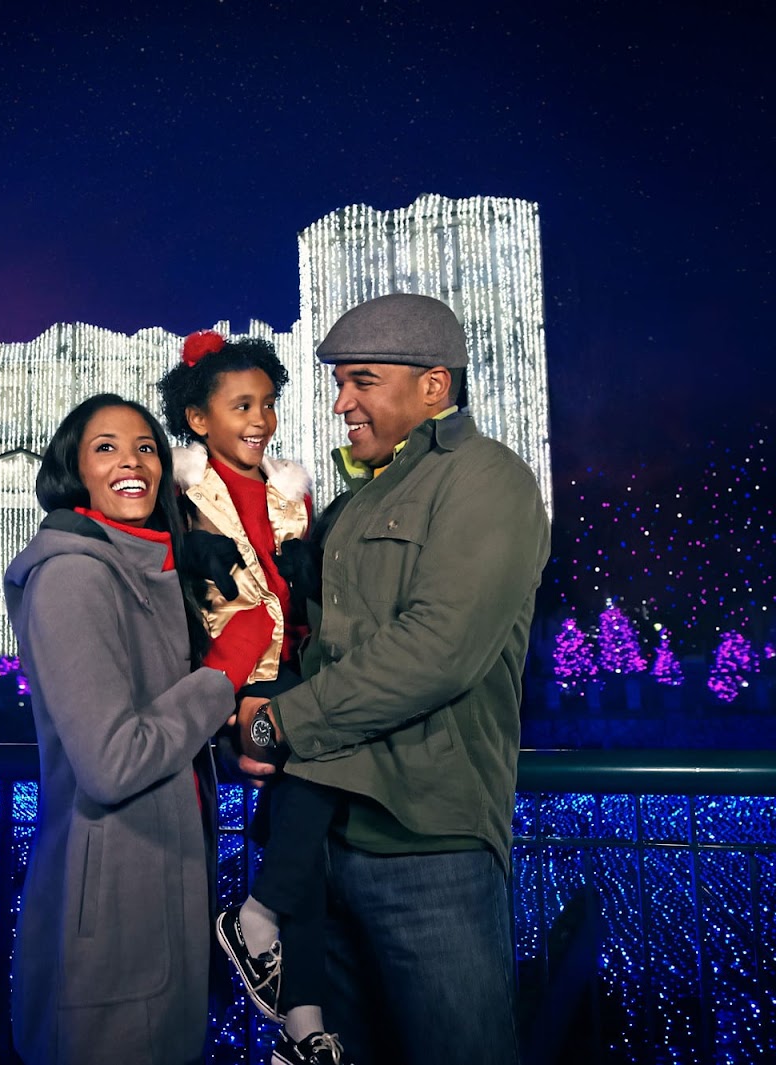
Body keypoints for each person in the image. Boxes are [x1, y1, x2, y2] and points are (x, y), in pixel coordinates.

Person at [229, 293, 551, 1065]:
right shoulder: (350, 504)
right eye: (340, 383)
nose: (342, 403)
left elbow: (438, 649)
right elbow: (313, 649)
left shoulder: (489, 480)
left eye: (363, 381)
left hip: (429, 847)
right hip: (323, 852)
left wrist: (279, 723)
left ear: (434, 385)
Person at [3, 394, 245, 1065]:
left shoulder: (144, 569)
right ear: (74, 470)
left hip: (158, 879)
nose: (131, 461)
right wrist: (223, 674)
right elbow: (112, 761)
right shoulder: (73, 577)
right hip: (114, 894)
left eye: (145, 447)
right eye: (105, 447)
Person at [156, 330, 347, 1065]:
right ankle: (255, 916)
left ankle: (303, 1024)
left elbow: (302, 600)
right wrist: (184, 547)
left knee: (306, 836)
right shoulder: (176, 491)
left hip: (298, 666)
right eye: (242, 405)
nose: (261, 419)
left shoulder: (290, 491)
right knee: (328, 762)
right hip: (239, 673)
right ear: (198, 418)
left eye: (268, 403)